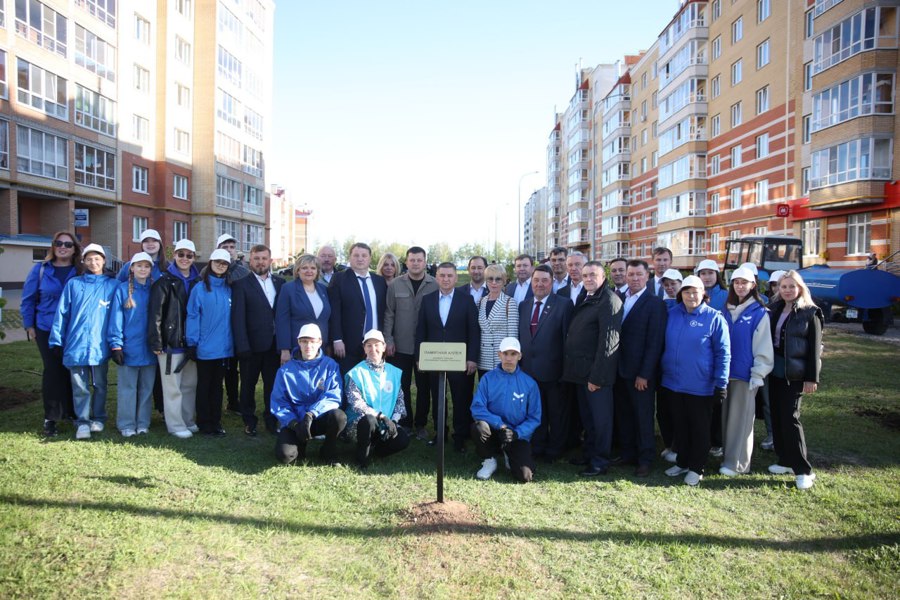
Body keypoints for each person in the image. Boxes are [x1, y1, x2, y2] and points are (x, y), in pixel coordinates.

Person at [661, 275, 730, 486]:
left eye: (696, 292)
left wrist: (721, 382)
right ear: (681, 294)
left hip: (700, 386)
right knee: (680, 426)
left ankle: (696, 467)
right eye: (687, 292)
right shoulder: (672, 314)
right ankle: (682, 461)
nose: (691, 296)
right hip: (673, 383)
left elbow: (723, 352)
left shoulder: (714, 318)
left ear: (703, 294)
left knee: (699, 428)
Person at [49, 243, 119, 440]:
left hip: (100, 345)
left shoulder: (112, 285)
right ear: (84, 261)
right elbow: (61, 312)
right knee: (80, 387)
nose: (93, 262)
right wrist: (56, 340)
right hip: (76, 345)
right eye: (89, 259)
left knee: (100, 384)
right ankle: (82, 421)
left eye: (97, 258)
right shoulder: (74, 284)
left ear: (104, 260)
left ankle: (99, 418)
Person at [562, 260, 623, 476]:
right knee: (588, 419)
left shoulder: (608, 300)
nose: (588, 279)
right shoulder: (586, 296)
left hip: (596, 375)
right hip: (581, 372)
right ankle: (589, 454)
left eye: (593, 275)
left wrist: (597, 377)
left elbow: (608, 343)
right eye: (585, 275)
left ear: (603, 277)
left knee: (600, 420)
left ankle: (599, 462)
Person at [21, 231, 82, 437]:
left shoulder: (80, 271)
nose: (63, 246)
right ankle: (51, 418)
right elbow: (28, 299)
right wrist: (29, 325)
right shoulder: (40, 270)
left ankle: (74, 413)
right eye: (59, 243)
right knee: (53, 371)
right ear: (53, 246)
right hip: (46, 327)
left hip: (72, 330)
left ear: (75, 249)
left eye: (67, 244)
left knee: (72, 370)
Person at [767, 270, 823, 490]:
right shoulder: (774, 309)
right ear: (778, 289)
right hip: (775, 371)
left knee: (790, 418)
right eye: (783, 287)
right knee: (778, 417)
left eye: (792, 286)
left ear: (800, 288)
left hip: (795, 374)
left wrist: (811, 378)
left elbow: (814, 349)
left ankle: (803, 470)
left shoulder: (810, 313)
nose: (787, 290)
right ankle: (785, 460)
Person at [415, 262, 480, 452]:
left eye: (449, 276)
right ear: (436, 277)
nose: (445, 279)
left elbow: (473, 331)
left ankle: (460, 436)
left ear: (456, 278)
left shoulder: (466, 300)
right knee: (438, 397)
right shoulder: (427, 300)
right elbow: (421, 330)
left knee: (461, 399)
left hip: (459, 360)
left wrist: (472, 358)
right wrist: (420, 356)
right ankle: (440, 434)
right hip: (435, 359)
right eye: (442, 275)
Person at [614, 260, 667, 477]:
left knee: (643, 417)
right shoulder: (620, 299)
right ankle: (628, 453)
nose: (634, 278)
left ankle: (645, 458)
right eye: (631, 274)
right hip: (620, 370)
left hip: (640, 374)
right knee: (624, 415)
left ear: (647, 277)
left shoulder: (654, 303)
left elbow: (655, 343)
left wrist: (645, 374)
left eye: (638, 274)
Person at [720, 267, 774, 477]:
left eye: (745, 282)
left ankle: (738, 464)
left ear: (753, 285)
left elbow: (763, 346)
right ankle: (727, 457)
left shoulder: (759, 313)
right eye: (736, 282)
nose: (740, 286)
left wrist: (758, 373)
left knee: (740, 421)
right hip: (725, 375)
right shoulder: (726, 309)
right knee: (727, 420)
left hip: (745, 376)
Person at [271, 323, 347, 465]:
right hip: (296, 421)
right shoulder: (285, 371)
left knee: (339, 417)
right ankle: (301, 444)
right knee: (285, 456)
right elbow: (279, 402)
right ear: (298, 342)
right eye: (304, 341)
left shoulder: (330, 366)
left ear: (320, 342)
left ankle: (328, 451)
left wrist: (311, 414)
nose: (308, 346)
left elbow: (334, 395)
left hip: (318, 418)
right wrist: (293, 423)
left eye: (312, 342)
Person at [518, 264, 573, 461]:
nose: (540, 284)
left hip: (554, 371)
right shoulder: (524, 305)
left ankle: (555, 449)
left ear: (552, 283)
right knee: (535, 412)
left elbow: (568, 340)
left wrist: (565, 371)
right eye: (536, 280)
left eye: (544, 280)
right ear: (531, 282)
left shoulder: (564, 304)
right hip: (528, 371)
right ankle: (538, 445)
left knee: (556, 413)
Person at [383, 246, 438, 438]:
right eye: (412, 260)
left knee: (424, 387)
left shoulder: (435, 284)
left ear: (425, 262)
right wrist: (388, 340)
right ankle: (405, 422)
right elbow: (389, 314)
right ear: (406, 262)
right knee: (402, 386)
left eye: (419, 260)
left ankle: (421, 424)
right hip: (401, 345)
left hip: (426, 347)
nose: (415, 263)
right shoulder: (396, 285)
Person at [149, 238, 201, 439]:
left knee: (189, 385)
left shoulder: (198, 281)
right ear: (174, 256)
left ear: (194, 258)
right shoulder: (164, 281)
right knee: (172, 387)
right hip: (171, 343)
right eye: (181, 254)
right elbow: (155, 314)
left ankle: (188, 420)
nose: (185, 259)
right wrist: (157, 342)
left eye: (189, 255)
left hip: (191, 343)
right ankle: (175, 424)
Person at [471, 337, 541, 482]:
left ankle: (509, 454)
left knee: (525, 476)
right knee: (479, 427)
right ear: (499, 355)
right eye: (505, 353)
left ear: (520, 356)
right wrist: (500, 425)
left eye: (513, 354)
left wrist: (517, 433)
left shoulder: (530, 383)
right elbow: (477, 407)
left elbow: (534, 417)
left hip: (516, 435)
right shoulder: (488, 379)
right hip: (494, 431)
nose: (509, 358)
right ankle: (489, 460)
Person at [231, 244, 285, 436]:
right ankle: (249, 420)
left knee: (272, 385)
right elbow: (238, 318)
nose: (260, 262)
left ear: (270, 261)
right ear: (249, 260)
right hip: (251, 346)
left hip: (274, 345)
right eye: (256, 258)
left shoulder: (280, 282)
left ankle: (271, 420)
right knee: (247, 384)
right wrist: (242, 345)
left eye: (264, 258)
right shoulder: (241, 284)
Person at [108, 252, 157, 437]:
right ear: (132, 268)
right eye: (139, 266)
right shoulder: (122, 290)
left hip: (150, 349)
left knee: (146, 389)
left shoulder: (154, 289)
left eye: (146, 266)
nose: (142, 269)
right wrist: (116, 345)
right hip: (129, 348)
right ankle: (126, 423)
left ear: (151, 270)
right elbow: (116, 319)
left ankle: (143, 422)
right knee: (128, 389)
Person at [344, 330, 410, 467]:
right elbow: (356, 403)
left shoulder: (394, 372)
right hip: (360, 424)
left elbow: (400, 401)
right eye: (369, 345)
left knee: (403, 439)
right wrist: (381, 416)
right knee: (369, 420)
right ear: (364, 348)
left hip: (385, 424)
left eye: (377, 345)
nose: (373, 349)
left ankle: (377, 450)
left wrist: (393, 421)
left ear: (384, 347)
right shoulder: (356, 372)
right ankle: (362, 456)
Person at [186, 249, 234, 436]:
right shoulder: (199, 288)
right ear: (211, 262)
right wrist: (192, 342)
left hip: (224, 348)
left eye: (224, 263)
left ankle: (216, 421)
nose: (220, 265)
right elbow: (192, 315)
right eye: (217, 262)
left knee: (217, 387)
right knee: (204, 386)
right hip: (205, 347)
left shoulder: (229, 288)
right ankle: (204, 422)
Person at [329, 242, 387, 374]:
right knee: (349, 382)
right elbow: (335, 311)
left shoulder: (379, 281)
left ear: (370, 258)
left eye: (364, 255)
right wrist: (337, 339)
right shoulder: (339, 279)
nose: (360, 259)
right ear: (350, 258)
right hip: (348, 344)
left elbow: (383, 311)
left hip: (375, 345)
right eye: (356, 255)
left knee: (372, 385)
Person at [275, 254, 331, 361]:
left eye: (313, 268)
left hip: (320, 347)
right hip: (297, 348)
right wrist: (285, 349)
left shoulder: (323, 289)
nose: (309, 271)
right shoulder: (288, 289)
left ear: (317, 271)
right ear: (297, 271)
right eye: (304, 268)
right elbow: (282, 320)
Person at [215, 233, 248, 414]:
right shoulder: (212, 270)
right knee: (221, 367)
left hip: (238, 326)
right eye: (224, 247)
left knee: (236, 368)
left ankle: (235, 402)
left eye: (231, 247)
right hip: (219, 328)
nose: (229, 250)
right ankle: (219, 402)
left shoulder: (244, 271)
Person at [476, 263, 519, 376]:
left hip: (501, 359)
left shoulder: (510, 303)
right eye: (490, 279)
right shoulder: (480, 302)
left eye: (498, 279)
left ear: (504, 281)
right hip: (483, 359)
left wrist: (509, 359)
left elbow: (512, 336)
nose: (494, 283)